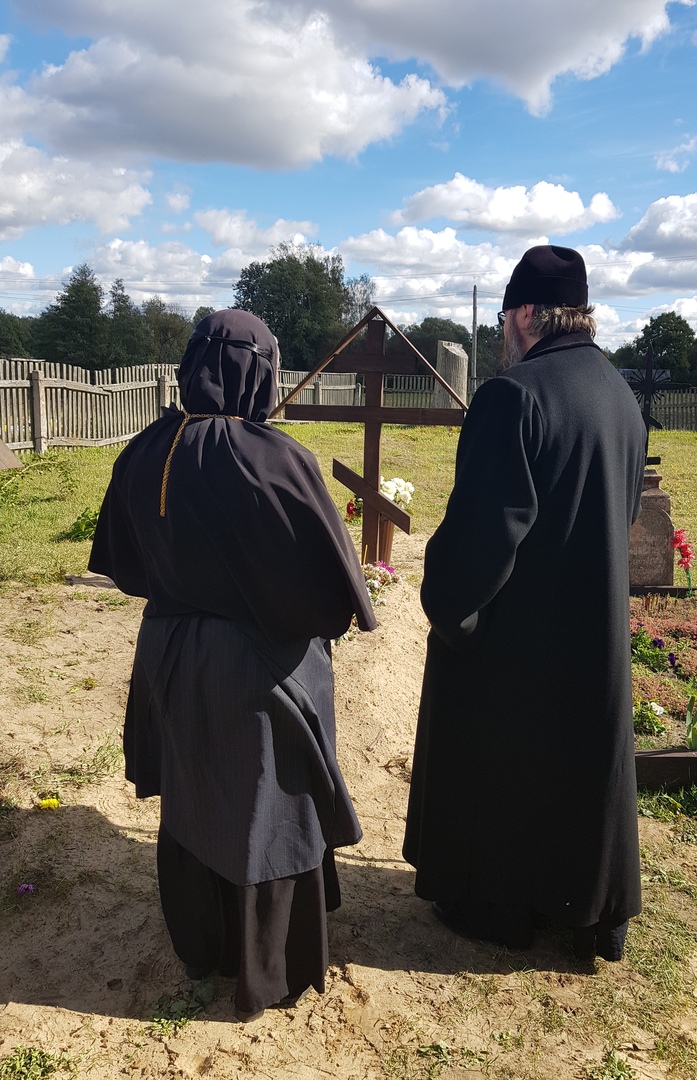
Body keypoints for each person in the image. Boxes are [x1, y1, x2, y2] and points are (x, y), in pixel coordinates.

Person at [89, 309, 375, 1020]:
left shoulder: (146, 449)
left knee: (194, 793)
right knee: (266, 806)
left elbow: (124, 564)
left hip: (171, 655)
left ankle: (203, 943)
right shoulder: (275, 458)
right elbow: (326, 597)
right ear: (262, 374)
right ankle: (268, 966)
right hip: (260, 668)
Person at [403, 246, 647, 959]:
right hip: (594, 634)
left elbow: (485, 535)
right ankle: (579, 906)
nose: (504, 330)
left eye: (507, 314)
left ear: (528, 314)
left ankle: (497, 903)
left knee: (501, 761)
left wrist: (451, 613)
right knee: (575, 769)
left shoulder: (513, 395)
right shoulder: (620, 396)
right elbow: (625, 513)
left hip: (516, 645)